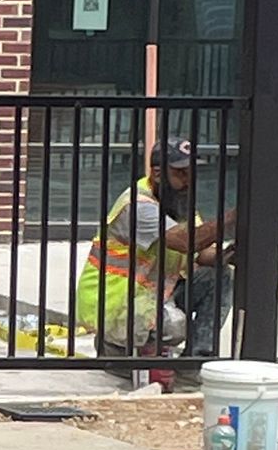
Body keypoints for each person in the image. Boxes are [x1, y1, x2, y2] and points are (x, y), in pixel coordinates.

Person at [76, 137, 233, 363]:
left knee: (220, 276)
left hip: (155, 295)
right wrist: (230, 220)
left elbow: (199, 253)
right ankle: (121, 353)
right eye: (180, 173)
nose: (188, 180)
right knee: (173, 324)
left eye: (191, 172)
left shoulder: (180, 204)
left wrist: (228, 254)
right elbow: (186, 242)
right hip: (118, 302)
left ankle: (195, 361)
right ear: (158, 173)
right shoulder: (138, 205)